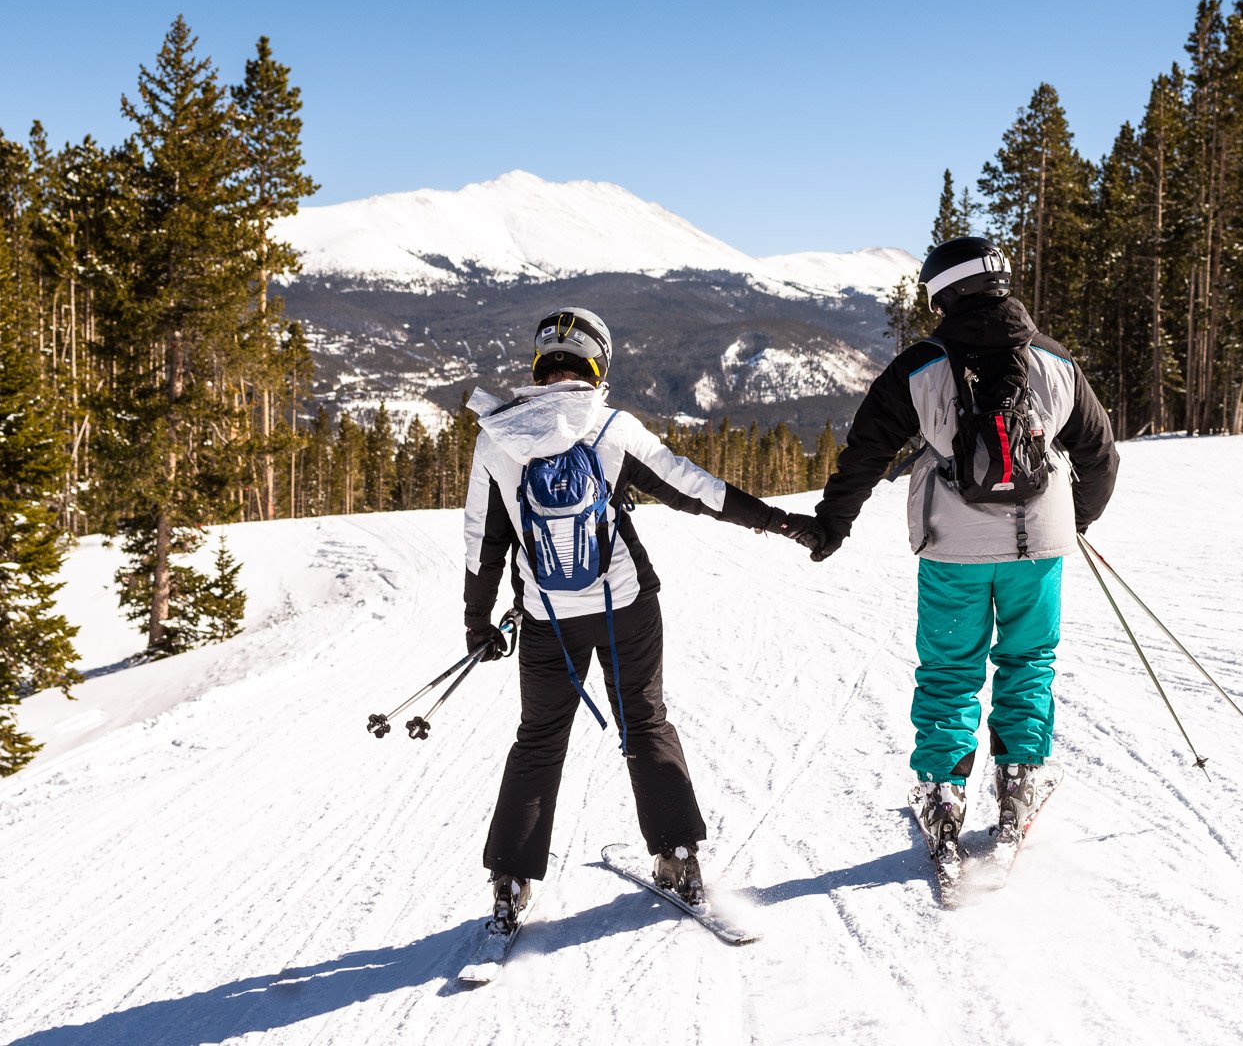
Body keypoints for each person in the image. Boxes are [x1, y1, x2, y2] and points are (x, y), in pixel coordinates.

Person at [463, 306, 819, 930]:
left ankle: (511, 881)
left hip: (546, 616)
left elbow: (482, 538)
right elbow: (696, 489)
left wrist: (478, 620)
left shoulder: (497, 436)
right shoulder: (611, 429)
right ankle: (678, 857)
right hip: (624, 604)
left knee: (539, 741)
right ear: (597, 364)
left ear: (539, 363)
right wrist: (778, 521)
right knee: (645, 721)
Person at [800, 236, 1118, 874]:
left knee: (949, 668)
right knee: (1028, 659)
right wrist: (1074, 521)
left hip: (952, 547)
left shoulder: (922, 366)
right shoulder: (1055, 362)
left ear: (944, 291)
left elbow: (866, 449)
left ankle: (944, 791)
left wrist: (834, 524)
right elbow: (1100, 455)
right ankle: (1020, 778)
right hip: (1039, 549)